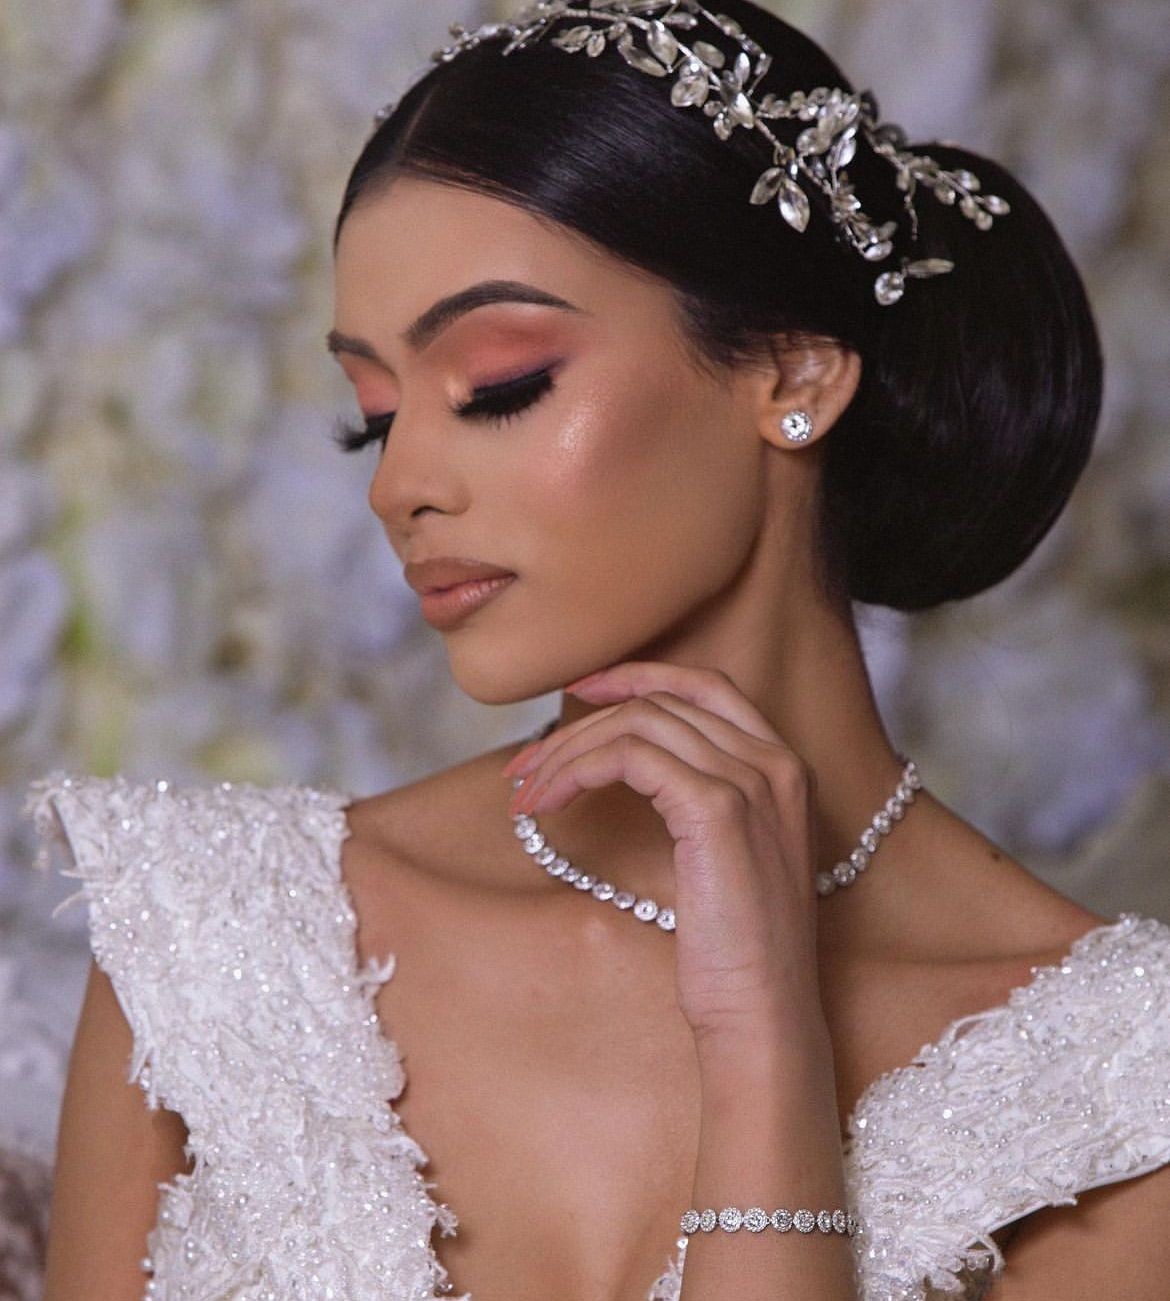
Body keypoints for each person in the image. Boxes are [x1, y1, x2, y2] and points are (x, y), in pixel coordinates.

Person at [25, 1, 1170, 1297]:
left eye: (498, 384)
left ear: (793, 374)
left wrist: (761, 1037)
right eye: (374, 417)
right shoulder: (214, 942)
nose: (399, 485)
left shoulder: (1116, 1087)